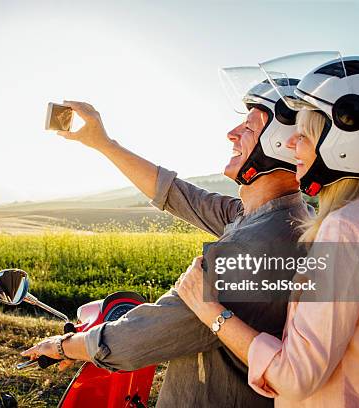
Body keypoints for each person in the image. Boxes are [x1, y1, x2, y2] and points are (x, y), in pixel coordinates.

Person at [175, 55, 359, 407]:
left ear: (346, 145)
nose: (292, 146)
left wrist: (209, 311)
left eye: (304, 134)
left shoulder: (348, 228)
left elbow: (293, 377)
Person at [22, 75, 313, 407]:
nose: (231, 134)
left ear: (281, 142)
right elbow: (177, 194)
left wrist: (63, 346)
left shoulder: (252, 247)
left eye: (248, 127)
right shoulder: (276, 218)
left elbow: (138, 339)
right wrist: (103, 143)